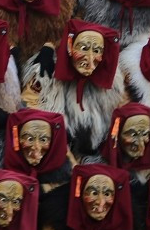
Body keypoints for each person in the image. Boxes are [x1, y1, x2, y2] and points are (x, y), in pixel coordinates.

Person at [24, 19, 126, 158]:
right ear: (70, 47)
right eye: (83, 48)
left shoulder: (113, 84)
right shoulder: (45, 73)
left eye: (96, 51)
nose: (90, 59)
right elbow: (31, 113)